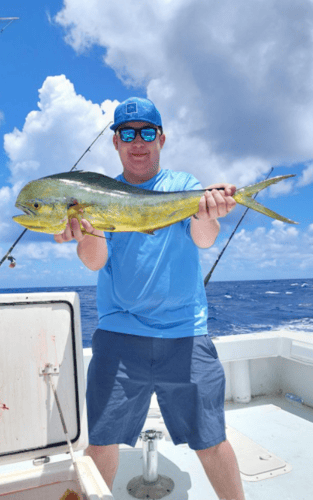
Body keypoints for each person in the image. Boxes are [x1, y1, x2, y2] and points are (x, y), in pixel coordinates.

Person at [54, 97, 245, 500]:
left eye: (145, 133)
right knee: (102, 441)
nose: (137, 142)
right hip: (119, 335)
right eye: (127, 133)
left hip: (186, 334)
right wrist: (85, 232)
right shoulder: (97, 194)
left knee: (211, 439)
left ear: (161, 139)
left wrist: (207, 214)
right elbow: (94, 262)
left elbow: (203, 238)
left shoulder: (182, 186)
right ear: (116, 143)